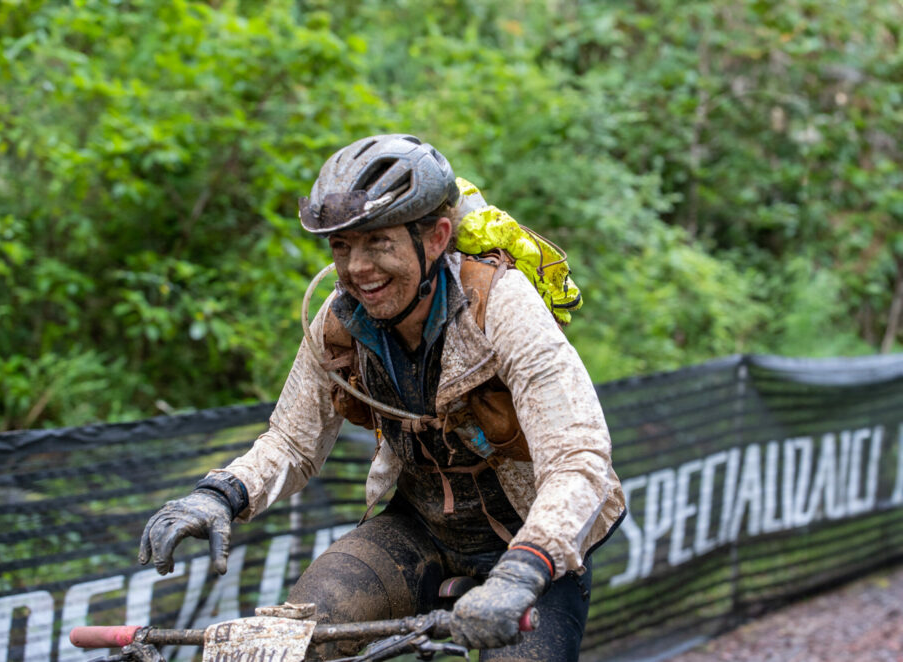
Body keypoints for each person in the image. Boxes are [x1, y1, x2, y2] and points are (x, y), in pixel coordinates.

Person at [138, 134, 626, 661]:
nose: (357, 269)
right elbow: (291, 441)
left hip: (533, 541)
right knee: (300, 639)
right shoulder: (340, 320)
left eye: (378, 243)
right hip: (420, 528)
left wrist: (525, 567)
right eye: (342, 246)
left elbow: (579, 459)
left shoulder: (501, 306)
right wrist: (219, 495)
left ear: (437, 237)